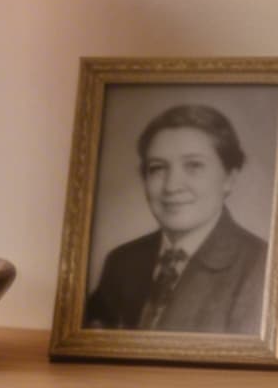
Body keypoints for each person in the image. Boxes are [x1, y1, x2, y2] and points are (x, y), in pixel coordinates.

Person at [84, 102, 268, 333]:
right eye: (158, 168)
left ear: (229, 178)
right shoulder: (122, 261)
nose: (171, 186)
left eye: (194, 166)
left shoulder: (261, 267)